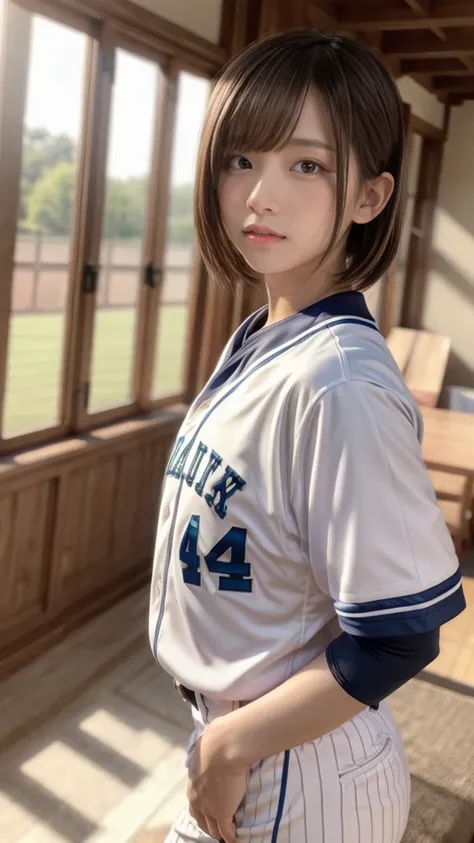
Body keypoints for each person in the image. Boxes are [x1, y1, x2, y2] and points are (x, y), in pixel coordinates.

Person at [149, 29, 465, 843]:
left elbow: (399, 636)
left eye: (308, 165)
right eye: (241, 159)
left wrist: (229, 743)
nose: (261, 194)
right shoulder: (266, 332)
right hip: (248, 741)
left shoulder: (342, 383)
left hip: (296, 767)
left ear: (370, 196)